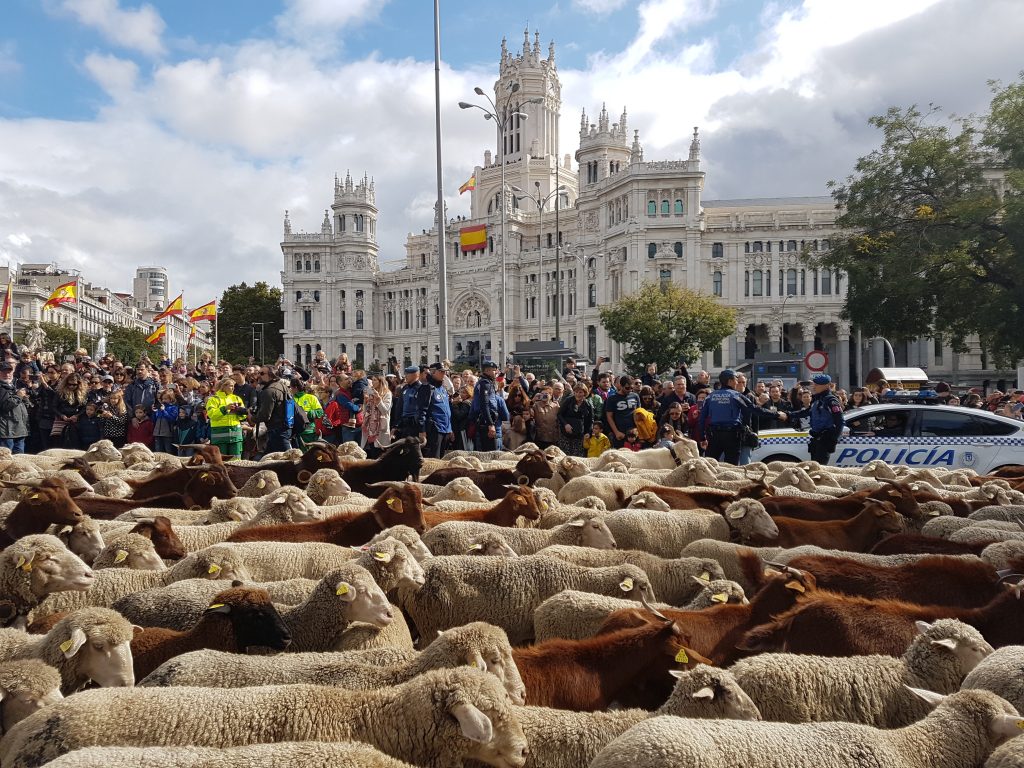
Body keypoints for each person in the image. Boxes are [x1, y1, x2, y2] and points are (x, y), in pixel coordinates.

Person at [701, 369, 761, 465]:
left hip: (714, 436)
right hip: (732, 436)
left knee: (710, 466)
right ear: (730, 381)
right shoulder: (736, 395)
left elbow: (702, 418)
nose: (737, 382)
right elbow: (755, 409)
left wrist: (702, 437)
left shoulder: (710, 396)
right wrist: (777, 415)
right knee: (731, 467)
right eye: (736, 379)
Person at [787, 373, 845, 465]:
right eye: (814, 384)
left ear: (826, 386)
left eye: (817, 384)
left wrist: (833, 439)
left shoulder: (830, 400)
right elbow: (806, 412)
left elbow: (840, 421)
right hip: (816, 439)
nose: (814, 386)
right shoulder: (817, 399)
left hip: (825, 439)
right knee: (814, 467)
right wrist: (788, 415)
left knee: (818, 471)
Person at [469, 360, 509, 452]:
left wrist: (504, 372)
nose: (496, 372)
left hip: (485, 422)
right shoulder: (485, 383)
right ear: (487, 371)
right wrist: (490, 424)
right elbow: (485, 404)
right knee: (490, 455)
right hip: (485, 423)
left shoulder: (487, 382)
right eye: (494, 370)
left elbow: (498, 380)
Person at [253, 365, 292, 455]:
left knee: (289, 459)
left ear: (271, 375)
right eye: (259, 373)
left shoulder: (269, 391)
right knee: (267, 458)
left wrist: (252, 417)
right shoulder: (282, 386)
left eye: (262, 373)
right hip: (285, 427)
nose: (259, 375)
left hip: (277, 430)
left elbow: (265, 416)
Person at [421, 362, 453, 459]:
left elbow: (447, 410)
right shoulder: (427, 388)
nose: (444, 374)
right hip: (435, 429)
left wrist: (450, 428)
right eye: (441, 372)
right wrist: (422, 430)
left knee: (442, 459)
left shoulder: (442, 389)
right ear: (433, 372)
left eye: (444, 372)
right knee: (434, 459)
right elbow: (422, 410)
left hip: (445, 429)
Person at [0, 360, 30, 454]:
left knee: (20, 462)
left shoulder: (13, 386)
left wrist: (25, 399)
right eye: (3, 372)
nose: (7, 374)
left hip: (19, 430)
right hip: (6, 432)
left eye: (9, 372)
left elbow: (24, 407)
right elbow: (4, 406)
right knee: (6, 460)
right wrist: (18, 396)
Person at [557, 383, 594, 457]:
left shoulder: (588, 405)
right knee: (564, 456)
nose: (578, 394)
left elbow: (591, 420)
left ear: (584, 393)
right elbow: (559, 414)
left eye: (580, 392)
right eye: (576, 392)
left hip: (579, 436)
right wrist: (565, 424)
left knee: (577, 458)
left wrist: (588, 433)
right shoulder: (568, 400)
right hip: (566, 435)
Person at [604, 374, 640, 448]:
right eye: (627, 388)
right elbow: (609, 416)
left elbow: (639, 413)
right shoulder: (612, 398)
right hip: (620, 432)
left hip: (634, 432)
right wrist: (616, 432)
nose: (630, 390)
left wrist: (639, 430)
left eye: (631, 388)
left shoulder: (635, 396)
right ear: (621, 386)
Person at [392, 365, 427, 441]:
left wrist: (422, 429)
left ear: (416, 375)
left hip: (415, 424)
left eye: (408, 374)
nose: (406, 376)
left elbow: (423, 410)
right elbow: (399, 408)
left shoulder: (421, 388)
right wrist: (396, 425)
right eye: (406, 373)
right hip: (404, 424)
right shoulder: (405, 388)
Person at [290, 379, 324, 450]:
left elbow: (320, 412)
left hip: (309, 432)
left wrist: (307, 413)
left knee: (310, 455)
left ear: (295, 388)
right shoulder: (290, 399)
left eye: (291, 387)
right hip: (294, 433)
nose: (290, 389)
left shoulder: (311, 398)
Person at [151, 390, 179, 455]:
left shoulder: (173, 408)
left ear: (171, 399)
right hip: (157, 433)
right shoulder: (159, 408)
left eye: (166, 399)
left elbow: (172, 419)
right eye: (162, 399)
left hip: (167, 434)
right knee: (158, 451)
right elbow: (154, 420)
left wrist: (164, 411)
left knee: (168, 451)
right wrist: (154, 412)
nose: (163, 400)